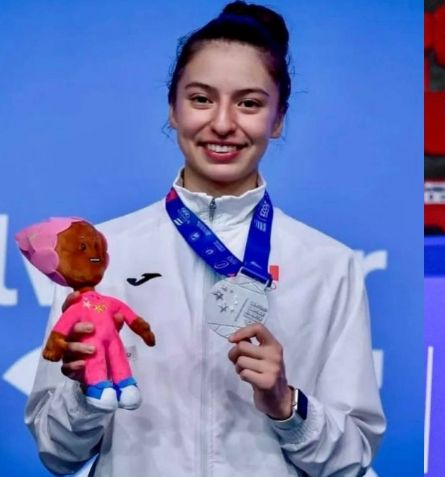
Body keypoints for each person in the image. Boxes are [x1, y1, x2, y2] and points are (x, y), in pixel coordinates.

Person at [24, 3, 385, 476]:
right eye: (201, 99)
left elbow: (351, 460)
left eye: (250, 103)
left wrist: (287, 405)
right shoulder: (101, 254)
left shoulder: (329, 265)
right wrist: (88, 390)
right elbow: (56, 451)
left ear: (277, 120)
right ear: (172, 108)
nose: (222, 123)